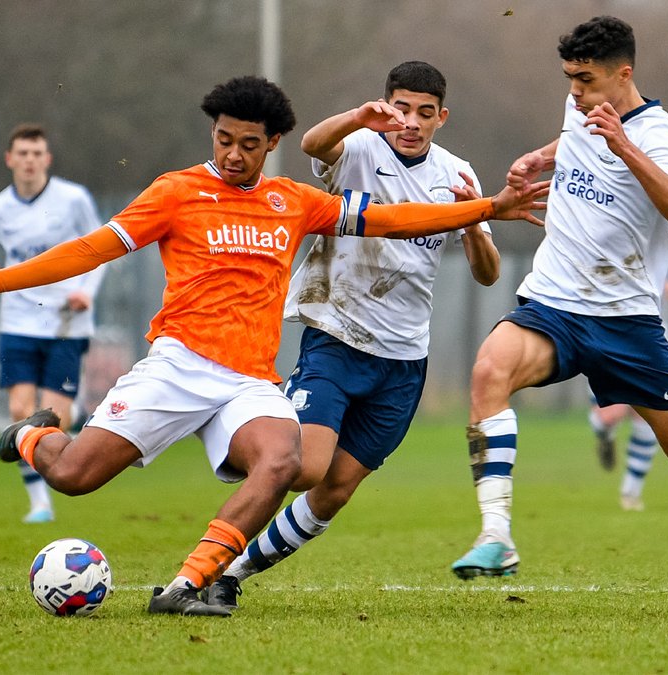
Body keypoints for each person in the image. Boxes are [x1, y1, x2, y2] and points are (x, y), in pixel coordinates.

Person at [0, 75, 545, 616]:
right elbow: (90, 249)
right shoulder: (175, 192)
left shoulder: (292, 202)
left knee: (286, 462)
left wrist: (489, 208)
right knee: (72, 476)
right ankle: (33, 437)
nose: (233, 153)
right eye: (224, 139)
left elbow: (390, 219)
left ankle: (188, 583)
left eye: (249, 144)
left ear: (271, 144)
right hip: (176, 364)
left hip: (249, 379)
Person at [451, 16, 668, 616]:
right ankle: (496, 537)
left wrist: (625, 146)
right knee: (490, 371)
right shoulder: (581, 107)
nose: (574, 92)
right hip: (555, 304)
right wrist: (541, 155)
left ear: (624, 74)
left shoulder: (662, 134)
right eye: (568, 79)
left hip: (627, 322)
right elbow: (576, 138)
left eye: (585, 80)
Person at [200, 61, 506, 608]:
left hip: (404, 360)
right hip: (337, 336)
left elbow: (488, 273)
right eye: (401, 108)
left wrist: (469, 222)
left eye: (424, 113)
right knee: (305, 467)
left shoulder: (458, 173)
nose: (410, 121)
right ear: (386, 105)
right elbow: (315, 143)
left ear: (442, 117)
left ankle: (229, 573)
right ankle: (227, 439)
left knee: (334, 489)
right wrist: (360, 118)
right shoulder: (362, 146)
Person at [0, 124, 105, 524]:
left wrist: (87, 293)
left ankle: (76, 412)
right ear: (10, 159)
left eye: (36, 153)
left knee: (55, 420)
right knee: (19, 412)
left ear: (47, 159)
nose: (29, 161)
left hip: (66, 323)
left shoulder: (73, 199)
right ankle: (40, 503)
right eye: (22, 154)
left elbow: (100, 250)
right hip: (18, 322)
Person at [588, 230, 668, 512]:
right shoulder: (610, 221)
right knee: (610, 414)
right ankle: (604, 432)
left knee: (646, 414)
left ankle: (630, 492)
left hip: (651, 334)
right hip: (602, 329)